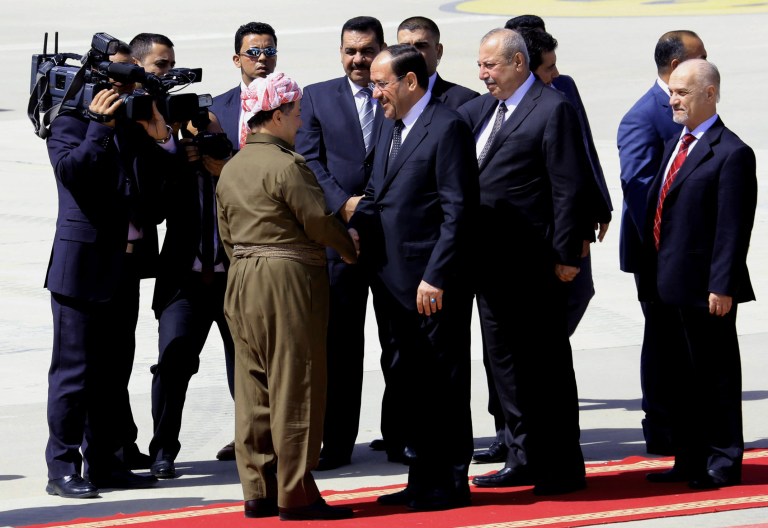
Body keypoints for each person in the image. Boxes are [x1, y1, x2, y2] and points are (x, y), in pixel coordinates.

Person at [216, 72, 357, 521]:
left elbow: (225, 234)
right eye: (294, 113)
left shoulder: (232, 167)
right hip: (286, 281)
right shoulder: (287, 164)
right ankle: (296, 492)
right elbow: (317, 220)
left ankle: (257, 489)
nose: (299, 121)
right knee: (296, 384)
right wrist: (349, 246)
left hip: (241, 279)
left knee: (253, 386)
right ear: (275, 115)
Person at [473, 17, 613, 466]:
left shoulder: (552, 108)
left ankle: (560, 464)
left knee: (546, 367)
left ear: (518, 63)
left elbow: (568, 187)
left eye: (490, 65)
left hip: (537, 267)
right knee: (505, 368)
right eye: (479, 66)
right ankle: (521, 455)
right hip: (491, 267)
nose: (483, 74)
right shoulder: (480, 111)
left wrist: (568, 255)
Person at [44, 41, 174, 498]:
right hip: (81, 269)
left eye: (129, 82)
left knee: (113, 373)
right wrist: (99, 127)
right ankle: (62, 467)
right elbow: (74, 175)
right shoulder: (69, 122)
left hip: (126, 267)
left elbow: (161, 192)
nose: (123, 90)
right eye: (116, 81)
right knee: (74, 374)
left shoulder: (136, 126)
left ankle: (105, 462)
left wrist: (160, 135)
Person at [350, 44, 477, 511]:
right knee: (412, 383)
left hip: (431, 285)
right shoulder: (391, 126)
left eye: (382, 82)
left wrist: (437, 276)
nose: (374, 89)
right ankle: (422, 477)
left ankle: (451, 480)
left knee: (443, 382)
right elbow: (378, 192)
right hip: (391, 282)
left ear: (409, 82)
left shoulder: (447, 127)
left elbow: (457, 211)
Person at [639, 59, 756, 489]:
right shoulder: (678, 141)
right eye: (671, 91)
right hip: (668, 286)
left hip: (707, 289)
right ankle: (688, 459)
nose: (673, 100)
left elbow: (732, 228)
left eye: (682, 93)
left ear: (710, 94)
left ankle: (723, 458)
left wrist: (722, 285)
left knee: (715, 377)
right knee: (680, 380)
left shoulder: (732, 152)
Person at [294, 15, 386, 471]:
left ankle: (403, 433)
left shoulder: (395, 92)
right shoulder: (317, 96)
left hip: (391, 239)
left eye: (367, 51)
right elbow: (309, 158)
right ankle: (338, 442)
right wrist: (343, 203)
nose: (358, 60)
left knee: (401, 342)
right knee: (341, 347)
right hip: (340, 240)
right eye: (350, 51)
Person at [146, 39, 236, 477]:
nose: (206, 138)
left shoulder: (230, 166)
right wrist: (175, 160)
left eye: (214, 132)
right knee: (173, 360)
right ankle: (163, 449)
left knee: (248, 365)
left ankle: (255, 442)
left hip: (231, 280)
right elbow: (153, 209)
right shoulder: (172, 159)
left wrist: (226, 168)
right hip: (184, 280)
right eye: (200, 130)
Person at [617, 30, 707, 455]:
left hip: (686, 251)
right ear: (674, 67)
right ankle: (662, 425)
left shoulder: (692, 106)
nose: (708, 63)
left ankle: (688, 422)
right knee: (663, 339)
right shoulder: (644, 115)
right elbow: (639, 189)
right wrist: (666, 248)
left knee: (684, 339)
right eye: (699, 57)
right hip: (656, 252)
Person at [210, 22, 278, 156]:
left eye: (270, 51)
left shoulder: (294, 105)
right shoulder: (215, 109)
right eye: (253, 52)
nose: (263, 58)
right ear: (237, 60)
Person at [396, 16, 479, 108]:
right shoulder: (386, 98)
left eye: (421, 45)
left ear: (438, 51)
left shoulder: (466, 101)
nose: (412, 53)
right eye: (405, 47)